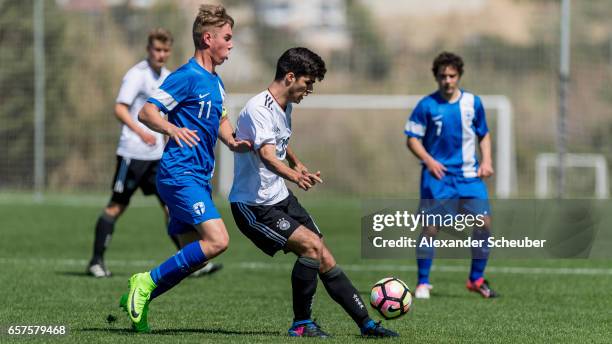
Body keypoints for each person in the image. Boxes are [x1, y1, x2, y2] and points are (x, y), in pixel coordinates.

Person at [229, 47, 399, 338]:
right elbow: (268, 155)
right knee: (310, 247)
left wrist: (296, 162)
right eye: (308, 83)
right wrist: (295, 176)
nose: (310, 90)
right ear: (290, 76)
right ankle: (301, 324)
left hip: (279, 198)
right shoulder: (258, 108)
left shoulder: (285, 106)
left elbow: (279, 141)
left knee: (324, 255)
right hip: (253, 206)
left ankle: (366, 324)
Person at [119, 4, 250, 332]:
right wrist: (172, 129)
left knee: (197, 255)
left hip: (198, 179)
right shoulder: (186, 76)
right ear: (209, 38)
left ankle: (141, 296)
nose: (231, 44)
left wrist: (233, 142)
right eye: (227, 38)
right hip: (179, 174)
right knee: (218, 240)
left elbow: (219, 119)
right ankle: (145, 282)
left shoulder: (216, 83)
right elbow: (147, 113)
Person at [404, 51, 498, 299]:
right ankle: (423, 283)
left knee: (484, 224)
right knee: (431, 229)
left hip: (469, 176)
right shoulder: (427, 105)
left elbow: (484, 134)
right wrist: (429, 160)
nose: (447, 80)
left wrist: (487, 160)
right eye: (442, 76)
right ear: (436, 76)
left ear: (459, 76)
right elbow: (412, 139)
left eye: (452, 75)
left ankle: (476, 278)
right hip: (438, 177)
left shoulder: (473, 103)